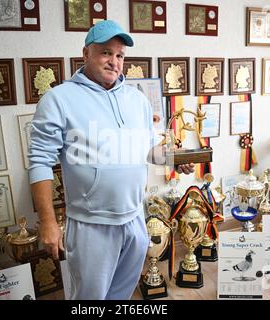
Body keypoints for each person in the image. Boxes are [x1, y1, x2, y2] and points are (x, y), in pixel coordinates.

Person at [28, 20, 195, 300]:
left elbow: (148, 148)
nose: (114, 61)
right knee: (90, 299)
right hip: (90, 225)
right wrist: (47, 221)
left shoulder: (136, 99)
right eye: (106, 52)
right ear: (86, 54)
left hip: (134, 219)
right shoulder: (59, 99)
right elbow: (39, 161)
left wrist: (172, 160)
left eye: (119, 55)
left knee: (121, 295)